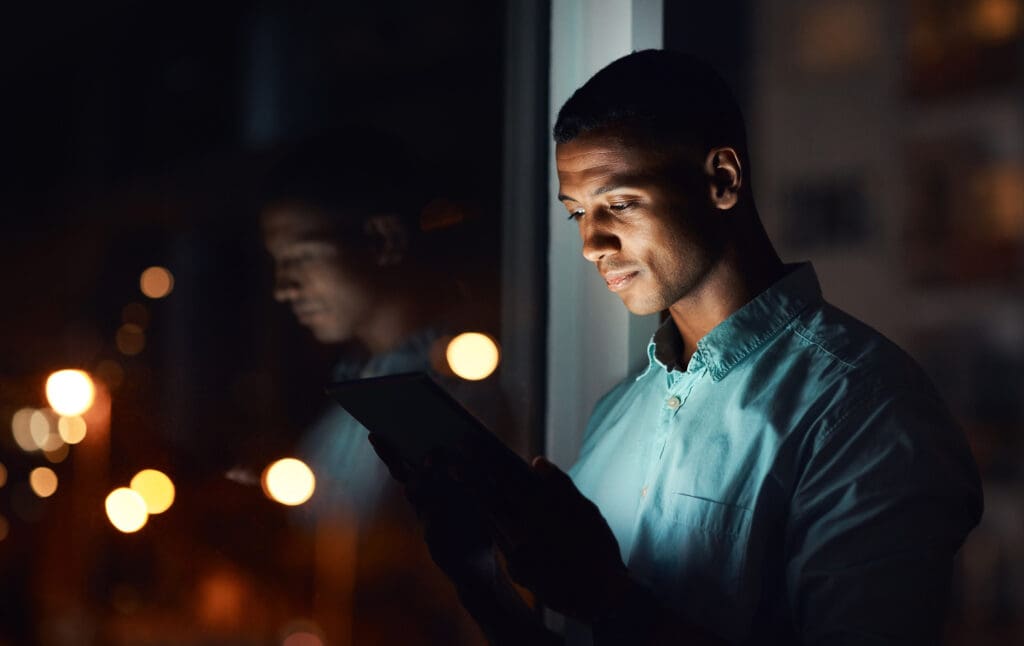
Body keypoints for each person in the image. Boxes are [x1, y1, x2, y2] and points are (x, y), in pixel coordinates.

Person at [371, 50, 983, 645]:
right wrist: (477, 575)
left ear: (721, 180)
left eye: (619, 203)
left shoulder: (866, 410)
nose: (591, 243)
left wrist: (609, 599)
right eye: (576, 213)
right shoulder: (617, 411)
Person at [260, 132, 490, 645]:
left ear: (384, 240)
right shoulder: (355, 395)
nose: (283, 287)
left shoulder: (467, 387)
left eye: (301, 257)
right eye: (277, 265)